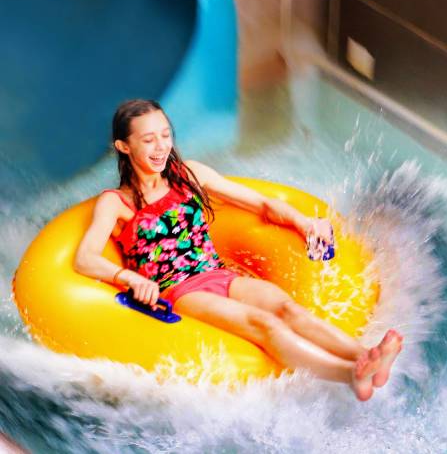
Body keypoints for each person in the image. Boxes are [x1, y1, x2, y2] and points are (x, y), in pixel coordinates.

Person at [72, 99, 402, 401]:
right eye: (148, 140)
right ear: (123, 146)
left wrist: (303, 223)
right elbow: (85, 258)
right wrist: (128, 277)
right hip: (181, 292)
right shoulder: (117, 203)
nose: (161, 147)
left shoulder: (189, 174)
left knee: (288, 309)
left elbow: (260, 203)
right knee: (265, 324)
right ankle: (350, 374)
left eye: (165, 135)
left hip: (219, 274)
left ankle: (365, 356)